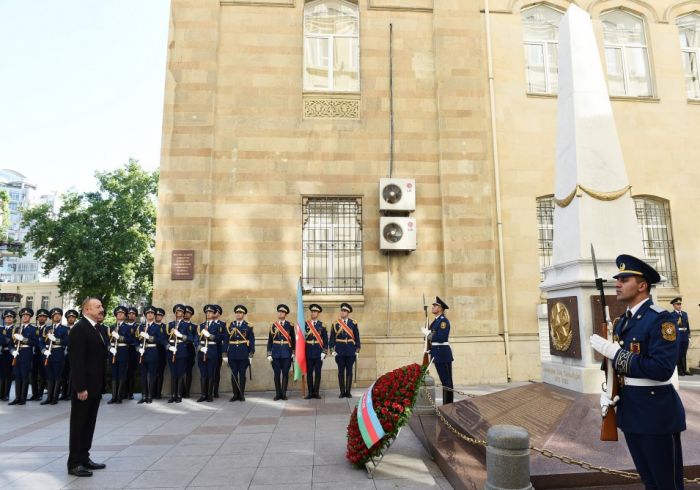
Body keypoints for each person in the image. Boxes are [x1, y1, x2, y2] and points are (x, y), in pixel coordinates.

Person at [590, 254, 686, 489]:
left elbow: (661, 369)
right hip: (630, 410)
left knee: (666, 484)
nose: (618, 284)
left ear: (642, 286)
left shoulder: (661, 319)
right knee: (650, 481)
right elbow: (618, 368)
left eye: (624, 278)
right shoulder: (623, 322)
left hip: (655, 413)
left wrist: (616, 354)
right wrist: (612, 389)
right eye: (617, 279)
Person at [67, 297, 108, 477]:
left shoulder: (96, 328)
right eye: (97, 307)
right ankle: (74, 463)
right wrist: (80, 387)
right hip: (84, 388)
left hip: (95, 386)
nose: (102, 309)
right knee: (79, 424)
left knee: (89, 424)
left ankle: (84, 457)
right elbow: (77, 362)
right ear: (86, 310)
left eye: (101, 306)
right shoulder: (79, 329)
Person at [424, 297, 454, 404]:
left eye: (435, 306)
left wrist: (429, 335)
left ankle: (448, 405)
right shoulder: (435, 322)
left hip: (443, 354)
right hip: (436, 353)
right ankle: (446, 405)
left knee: (447, 382)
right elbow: (430, 336)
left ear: (441, 308)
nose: (433, 307)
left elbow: (441, 338)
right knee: (443, 380)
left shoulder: (443, 321)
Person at [39, 308, 70, 405]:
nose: (57, 316)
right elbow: (41, 341)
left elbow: (67, 341)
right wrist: (44, 350)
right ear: (52, 317)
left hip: (58, 354)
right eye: (55, 315)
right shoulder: (46, 328)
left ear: (61, 317)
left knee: (57, 376)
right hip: (48, 354)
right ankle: (49, 397)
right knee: (49, 376)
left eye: (59, 315)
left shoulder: (65, 329)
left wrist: (56, 340)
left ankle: (55, 398)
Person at [329, 303, 360, 398]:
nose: (342, 312)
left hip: (350, 350)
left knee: (349, 371)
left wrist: (357, 350)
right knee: (341, 371)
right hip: (340, 350)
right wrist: (331, 350)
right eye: (342, 310)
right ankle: (342, 392)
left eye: (344, 311)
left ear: (348, 312)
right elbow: (332, 338)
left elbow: (357, 337)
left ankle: (348, 391)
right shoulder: (335, 324)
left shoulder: (353, 323)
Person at [9, 307, 38, 405]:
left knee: (24, 376)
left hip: (26, 353)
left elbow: (35, 342)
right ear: (21, 317)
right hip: (17, 354)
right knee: (17, 376)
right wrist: (12, 351)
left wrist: (24, 339)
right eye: (23, 315)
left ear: (30, 317)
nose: (25, 317)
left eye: (27, 315)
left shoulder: (34, 329)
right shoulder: (16, 329)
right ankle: (17, 397)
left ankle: (23, 398)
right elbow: (10, 343)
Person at [166, 304, 194, 403]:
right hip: (171, 350)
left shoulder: (187, 325)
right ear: (175, 313)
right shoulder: (170, 325)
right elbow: (164, 338)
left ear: (183, 313)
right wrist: (168, 346)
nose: (179, 313)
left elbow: (191, 338)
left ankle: (179, 394)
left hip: (182, 350)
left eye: (181, 311)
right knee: (173, 373)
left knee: (180, 373)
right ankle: (173, 394)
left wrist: (181, 335)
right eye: (177, 311)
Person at [225, 304, 254, 402]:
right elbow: (226, 340)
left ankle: (241, 394)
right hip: (232, 353)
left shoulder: (248, 326)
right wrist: (224, 353)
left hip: (243, 353)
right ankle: (235, 394)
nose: (238, 314)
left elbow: (251, 340)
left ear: (244, 314)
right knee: (233, 374)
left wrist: (251, 354)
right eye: (237, 313)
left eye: (240, 313)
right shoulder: (230, 325)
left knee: (242, 374)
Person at [135, 306, 163, 404]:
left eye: (152, 313)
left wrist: (150, 337)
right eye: (148, 313)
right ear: (145, 315)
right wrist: (138, 348)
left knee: (152, 375)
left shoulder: (158, 327)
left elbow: (161, 340)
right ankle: (144, 395)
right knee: (143, 375)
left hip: (152, 352)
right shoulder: (140, 327)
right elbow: (135, 340)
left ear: (154, 315)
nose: (150, 314)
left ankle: (150, 395)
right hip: (142, 353)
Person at [107, 306, 135, 404]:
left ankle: (119, 396)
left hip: (123, 351)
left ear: (125, 315)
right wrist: (110, 348)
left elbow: (131, 340)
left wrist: (120, 337)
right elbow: (107, 342)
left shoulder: (128, 328)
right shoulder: (111, 327)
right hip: (113, 352)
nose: (119, 314)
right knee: (113, 374)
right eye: (118, 313)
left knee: (122, 374)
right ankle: (113, 396)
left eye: (122, 313)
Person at [267, 304, 294, 401]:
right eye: (279, 311)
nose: (280, 313)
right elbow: (270, 341)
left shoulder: (290, 325)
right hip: (275, 353)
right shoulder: (273, 325)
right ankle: (278, 393)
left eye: (282, 312)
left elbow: (293, 340)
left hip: (287, 353)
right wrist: (269, 353)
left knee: (285, 373)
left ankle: (284, 393)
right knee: (277, 374)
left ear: (286, 314)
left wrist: (293, 352)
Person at [197, 305, 223, 402]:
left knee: (211, 373)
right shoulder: (201, 326)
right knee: (203, 373)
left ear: (214, 314)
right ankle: (203, 394)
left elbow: (220, 338)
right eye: (207, 312)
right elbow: (196, 339)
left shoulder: (218, 326)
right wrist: (200, 348)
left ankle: (209, 394)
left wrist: (210, 336)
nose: (208, 314)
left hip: (212, 351)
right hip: (202, 351)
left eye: (210, 312)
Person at [304, 304, 328, 400]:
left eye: (315, 312)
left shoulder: (322, 325)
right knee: (309, 373)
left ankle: (316, 392)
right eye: (312, 311)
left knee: (318, 373)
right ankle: (310, 392)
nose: (313, 313)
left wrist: (324, 352)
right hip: (308, 351)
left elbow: (325, 340)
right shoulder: (305, 324)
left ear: (318, 313)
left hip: (318, 352)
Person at [58, 309, 79, 401]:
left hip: (74, 354)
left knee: (72, 374)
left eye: (73, 317)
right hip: (63, 353)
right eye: (69, 317)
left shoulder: (78, 328)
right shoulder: (63, 328)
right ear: (67, 318)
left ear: (75, 319)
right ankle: (64, 393)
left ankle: (70, 393)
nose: (71, 319)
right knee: (63, 374)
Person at [30, 308, 50, 401]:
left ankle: (40, 394)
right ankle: (34, 393)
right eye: (40, 317)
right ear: (37, 318)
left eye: (44, 317)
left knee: (42, 375)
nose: (42, 318)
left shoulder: (49, 329)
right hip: (34, 354)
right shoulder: (34, 329)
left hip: (43, 354)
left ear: (46, 319)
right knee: (33, 375)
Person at [671, 297, 692, 376]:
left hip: (685, 336)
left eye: (680, 304)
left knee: (684, 353)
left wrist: (689, 335)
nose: (679, 306)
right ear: (674, 305)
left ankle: (684, 369)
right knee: (678, 353)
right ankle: (679, 370)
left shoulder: (684, 314)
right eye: (678, 304)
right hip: (678, 336)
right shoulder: (671, 315)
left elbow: (687, 325)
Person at [0, 310, 16, 401]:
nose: (9, 318)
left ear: (13, 319)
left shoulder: (16, 329)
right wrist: (7, 339)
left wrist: (4, 339)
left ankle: (6, 394)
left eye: (10, 317)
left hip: (10, 353)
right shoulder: (1, 329)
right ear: (4, 319)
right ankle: (1, 393)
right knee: (1, 375)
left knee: (8, 375)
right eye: (7, 317)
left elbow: (12, 342)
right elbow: (7, 340)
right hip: (1, 353)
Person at [125, 307, 139, 400]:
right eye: (130, 313)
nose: (131, 315)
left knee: (131, 372)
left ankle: (130, 393)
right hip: (124, 350)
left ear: (136, 316)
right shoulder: (123, 325)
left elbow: (137, 339)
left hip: (133, 350)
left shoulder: (138, 326)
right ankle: (123, 392)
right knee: (124, 371)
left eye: (133, 314)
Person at [182, 305, 197, 398]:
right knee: (180, 371)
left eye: (188, 313)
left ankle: (187, 391)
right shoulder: (177, 324)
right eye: (185, 312)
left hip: (189, 349)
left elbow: (195, 339)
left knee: (188, 371)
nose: (186, 314)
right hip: (180, 349)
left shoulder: (194, 326)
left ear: (191, 315)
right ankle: (181, 391)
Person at [154, 307, 167, 399]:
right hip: (151, 351)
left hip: (161, 351)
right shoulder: (149, 326)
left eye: (160, 315)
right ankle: (151, 392)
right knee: (152, 373)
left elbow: (165, 339)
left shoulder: (165, 327)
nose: (158, 316)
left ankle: (158, 392)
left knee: (160, 373)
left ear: (162, 317)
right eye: (157, 315)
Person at [212, 305, 225, 398]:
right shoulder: (206, 324)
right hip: (208, 350)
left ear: (218, 313)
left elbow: (224, 338)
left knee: (216, 371)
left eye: (215, 311)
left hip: (218, 351)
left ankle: (215, 391)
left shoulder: (222, 325)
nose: (213, 313)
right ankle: (208, 390)